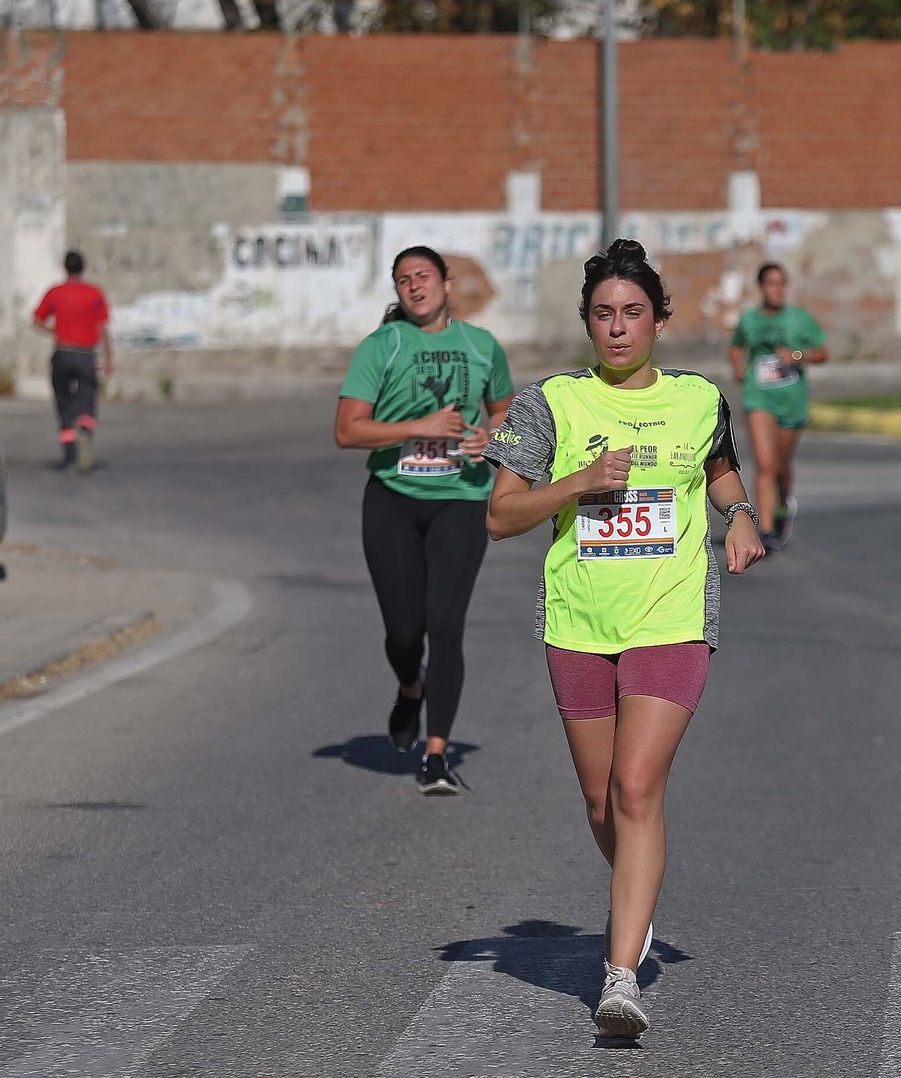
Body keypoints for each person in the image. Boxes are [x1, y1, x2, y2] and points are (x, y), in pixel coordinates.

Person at [484, 239, 765, 1039]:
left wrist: (739, 514)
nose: (617, 328)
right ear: (587, 322)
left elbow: (717, 468)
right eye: (603, 314)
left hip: (671, 615)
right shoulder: (549, 405)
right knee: (604, 800)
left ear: (659, 321)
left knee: (639, 787)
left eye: (632, 313)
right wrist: (575, 483)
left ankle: (619, 978)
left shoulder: (699, 399)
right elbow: (500, 517)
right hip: (578, 620)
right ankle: (639, 884)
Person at [334, 246, 514, 795]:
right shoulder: (381, 347)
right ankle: (410, 686)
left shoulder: (482, 347)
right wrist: (419, 426)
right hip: (392, 497)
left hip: (460, 497)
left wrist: (494, 442)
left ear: (446, 283)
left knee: (446, 623)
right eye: (403, 279)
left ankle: (436, 755)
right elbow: (348, 431)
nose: (414, 286)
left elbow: (506, 411)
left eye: (423, 276)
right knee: (404, 631)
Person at [728, 263, 827, 549]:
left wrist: (797, 355)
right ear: (761, 287)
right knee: (765, 465)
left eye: (782, 283)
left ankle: (783, 506)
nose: (778, 289)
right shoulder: (748, 320)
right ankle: (767, 530)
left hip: (792, 400)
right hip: (758, 396)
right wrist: (737, 365)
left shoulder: (799, 319)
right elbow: (736, 346)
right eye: (772, 283)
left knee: (782, 467)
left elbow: (823, 352)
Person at [32, 250, 113, 474]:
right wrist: (109, 359)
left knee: (64, 400)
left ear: (65, 268)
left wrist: (55, 330)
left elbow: (37, 319)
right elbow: (103, 328)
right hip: (86, 354)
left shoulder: (56, 292)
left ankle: (69, 451)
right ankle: (85, 430)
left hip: (63, 352)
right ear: (83, 267)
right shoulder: (94, 294)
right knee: (87, 396)